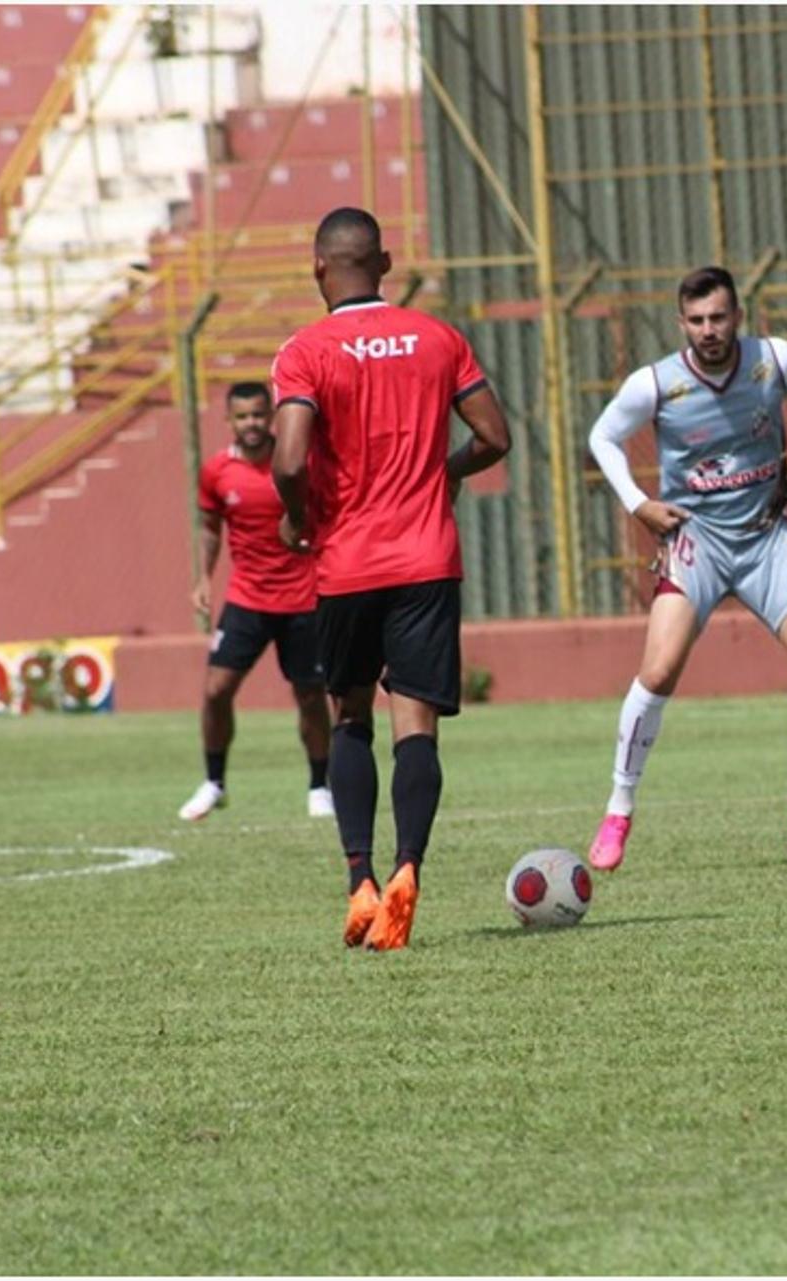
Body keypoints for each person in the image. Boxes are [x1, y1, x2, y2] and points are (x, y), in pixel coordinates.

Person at [270, 206, 511, 952]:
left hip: (347, 563)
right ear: (385, 263)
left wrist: (297, 515)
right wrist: (444, 470)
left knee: (348, 716)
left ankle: (360, 880)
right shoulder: (438, 338)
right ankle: (409, 867)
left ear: (319, 268)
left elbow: (286, 459)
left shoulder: (306, 351)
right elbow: (496, 438)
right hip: (426, 560)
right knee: (417, 726)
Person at [585, 265, 787, 872]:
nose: (709, 330)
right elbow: (603, 437)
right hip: (695, 541)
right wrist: (639, 503)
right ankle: (619, 809)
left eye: (719, 317)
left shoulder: (773, 361)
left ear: (738, 317)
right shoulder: (656, 385)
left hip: (764, 536)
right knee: (658, 670)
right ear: (682, 323)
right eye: (698, 320)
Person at [178, 381, 334, 822]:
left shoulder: (295, 462)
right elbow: (210, 527)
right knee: (216, 690)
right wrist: (203, 579)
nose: (252, 424)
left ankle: (320, 786)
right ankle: (214, 783)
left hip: (304, 597)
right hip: (247, 597)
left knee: (310, 695)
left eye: (259, 415)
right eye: (243, 416)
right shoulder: (216, 472)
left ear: (273, 416)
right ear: (229, 420)